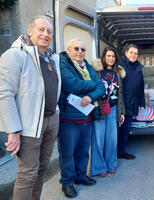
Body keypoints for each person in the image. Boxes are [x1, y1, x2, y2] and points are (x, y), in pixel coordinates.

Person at [0, 16, 61, 200]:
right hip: (28, 127)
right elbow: (4, 93)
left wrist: (56, 113)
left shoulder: (52, 58)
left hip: (51, 121)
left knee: (42, 169)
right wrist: (13, 130)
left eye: (49, 31)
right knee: (27, 174)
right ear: (30, 30)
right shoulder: (15, 55)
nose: (45, 34)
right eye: (41, 29)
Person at [57, 39, 105, 198]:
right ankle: (67, 183)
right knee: (67, 153)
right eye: (76, 48)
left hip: (87, 116)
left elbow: (102, 87)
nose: (79, 52)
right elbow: (72, 85)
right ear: (69, 50)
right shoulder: (63, 63)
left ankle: (80, 176)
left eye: (83, 49)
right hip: (68, 119)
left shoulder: (87, 66)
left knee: (84, 151)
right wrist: (93, 84)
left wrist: (91, 97)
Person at [90, 47, 126, 177]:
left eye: (113, 56)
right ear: (103, 57)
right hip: (100, 108)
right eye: (108, 56)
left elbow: (120, 94)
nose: (111, 58)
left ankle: (111, 164)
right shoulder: (96, 72)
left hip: (114, 109)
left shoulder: (118, 73)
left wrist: (122, 112)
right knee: (98, 139)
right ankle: (99, 167)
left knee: (112, 139)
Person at [117, 44, 145, 159]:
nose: (134, 55)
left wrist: (142, 102)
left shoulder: (138, 67)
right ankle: (112, 153)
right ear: (126, 53)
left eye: (136, 53)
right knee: (116, 130)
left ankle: (121, 152)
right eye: (131, 52)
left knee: (125, 129)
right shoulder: (119, 65)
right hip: (120, 103)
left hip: (132, 102)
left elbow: (141, 85)